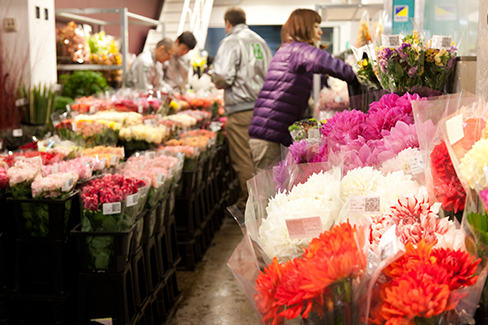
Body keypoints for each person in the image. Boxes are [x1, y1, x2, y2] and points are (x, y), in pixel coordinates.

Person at [248, 9, 358, 173]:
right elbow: (322, 60)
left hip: (271, 133)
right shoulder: (296, 50)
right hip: (269, 136)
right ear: (304, 27)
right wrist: (354, 74)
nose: (320, 31)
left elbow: (316, 78)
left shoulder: (289, 50)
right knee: (267, 194)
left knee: (273, 190)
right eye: (315, 26)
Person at [212, 6, 272, 211]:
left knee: (243, 158)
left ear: (228, 23)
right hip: (263, 108)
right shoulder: (261, 41)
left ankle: (251, 205)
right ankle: (265, 202)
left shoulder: (230, 41)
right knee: (260, 159)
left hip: (240, 110)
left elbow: (221, 76)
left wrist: (212, 76)